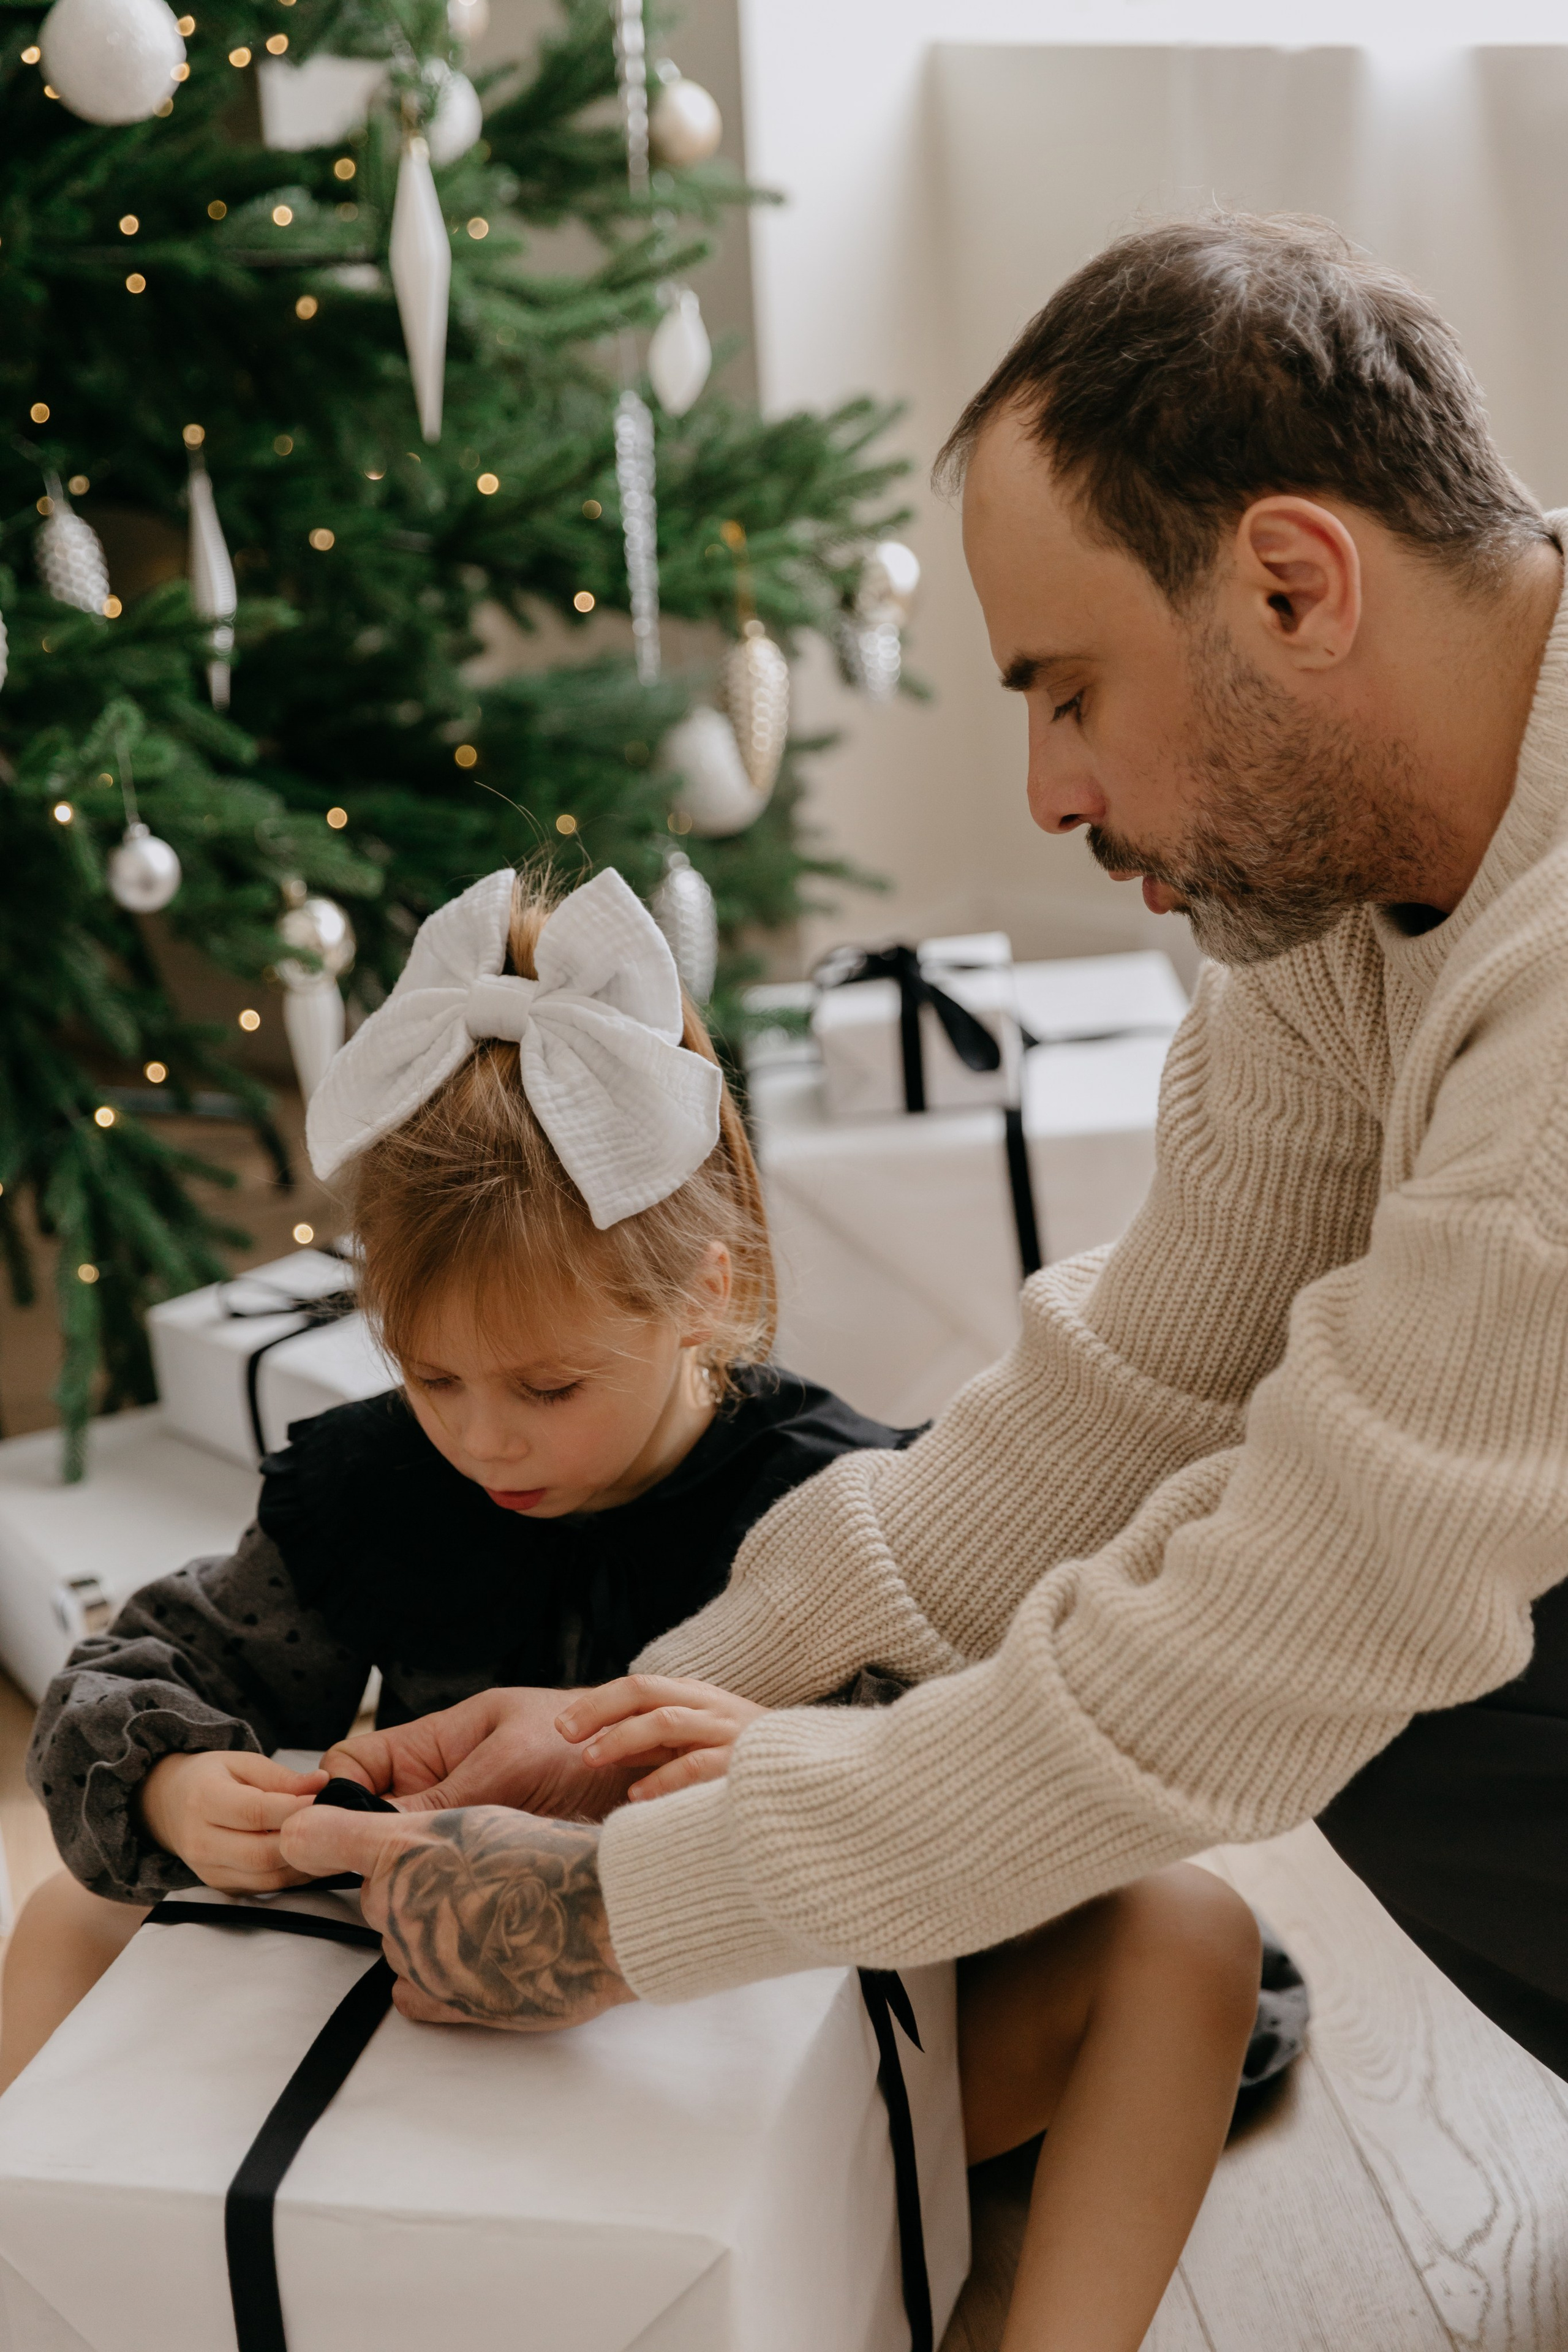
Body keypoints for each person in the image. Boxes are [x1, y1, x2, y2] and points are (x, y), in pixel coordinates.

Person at [287, 207, 1568, 2144]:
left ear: (1295, 588)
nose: (1052, 794)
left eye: (1069, 691)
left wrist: (627, 1911)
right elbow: (1136, 1395)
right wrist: (640, 1721)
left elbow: (1291, 1624)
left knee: (1391, 1662)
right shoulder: (1349, 903)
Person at [9, 861, 1265, 2351]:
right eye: (431, 1376)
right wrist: (173, 1785)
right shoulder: (366, 1489)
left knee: (1187, 1938)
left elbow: (993, 1786)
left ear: (704, 1295)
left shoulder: (845, 1502)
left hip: (762, 2060)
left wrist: (790, 1760)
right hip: (439, 2030)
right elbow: (142, 1665)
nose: (484, 1440)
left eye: (548, 1387)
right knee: (68, 1914)